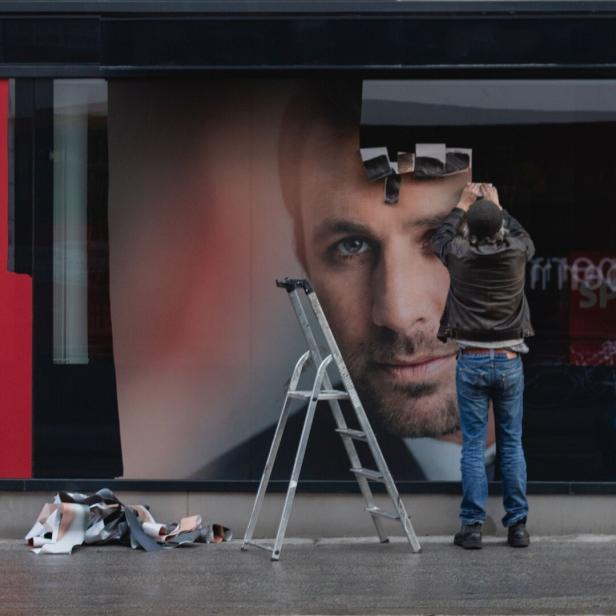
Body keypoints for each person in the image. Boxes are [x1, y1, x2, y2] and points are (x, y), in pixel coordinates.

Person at [199, 82, 497, 481]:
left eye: (444, 237)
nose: (398, 313)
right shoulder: (240, 482)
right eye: (351, 245)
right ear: (303, 256)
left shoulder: (596, 426)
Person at [430, 182, 534, 549]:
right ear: (500, 226)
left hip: (472, 361)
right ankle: (517, 526)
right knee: (511, 443)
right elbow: (523, 234)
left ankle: (472, 528)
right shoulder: (518, 251)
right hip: (508, 362)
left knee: (473, 446)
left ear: (469, 230)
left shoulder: (458, 254)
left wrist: (461, 205)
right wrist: (497, 205)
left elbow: (439, 238)